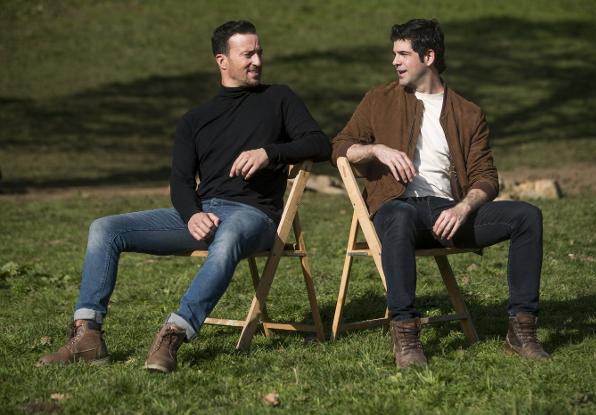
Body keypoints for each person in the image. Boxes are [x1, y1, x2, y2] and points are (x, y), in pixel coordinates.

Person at [38, 20, 331, 373]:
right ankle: (87, 336)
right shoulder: (195, 120)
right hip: (204, 213)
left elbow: (320, 143)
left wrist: (269, 152)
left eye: (259, 52)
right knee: (105, 228)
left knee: (230, 236)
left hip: (255, 216)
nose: (257, 60)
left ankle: (174, 334)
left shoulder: (279, 98)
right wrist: (192, 213)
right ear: (222, 61)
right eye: (247, 54)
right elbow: (179, 181)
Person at [331, 19, 549, 369]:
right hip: (396, 207)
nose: (395, 62)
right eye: (394, 54)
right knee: (399, 215)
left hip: (448, 213)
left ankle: (521, 331)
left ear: (428, 56)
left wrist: (463, 209)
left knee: (527, 216)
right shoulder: (379, 99)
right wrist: (377, 150)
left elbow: (486, 177)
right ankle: (406, 334)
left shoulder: (468, 113)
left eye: (403, 54)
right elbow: (339, 147)